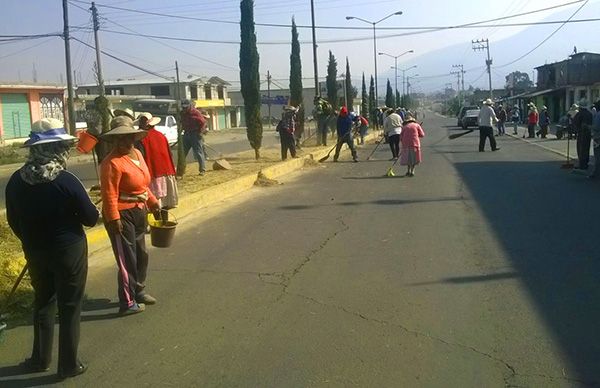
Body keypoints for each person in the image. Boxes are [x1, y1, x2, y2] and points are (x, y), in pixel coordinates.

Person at [5, 118, 98, 379]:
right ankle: (68, 365)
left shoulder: (16, 181)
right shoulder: (66, 181)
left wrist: (32, 241)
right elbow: (90, 218)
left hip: (35, 251)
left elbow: (13, 220)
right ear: (56, 148)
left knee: (43, 302)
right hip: (69, 251)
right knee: (69, 306)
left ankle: (40, 359)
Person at [100, 116, 161, 315]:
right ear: (114, 141)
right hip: (122, 214)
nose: (124, 142)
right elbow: (108, 193)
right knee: (128, 259)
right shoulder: (111, 163)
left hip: (139, 211)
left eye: (128, 137)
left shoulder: (137, 154)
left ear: (134, 137)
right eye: (119, 139)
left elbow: (143, 185)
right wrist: (114, 218)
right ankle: (126, 301)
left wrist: (153, 202)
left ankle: (138, 290)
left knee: (142, 255)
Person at [135, 112, 179, 209]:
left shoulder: (140, 139)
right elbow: (169, 154)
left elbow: (139, 158)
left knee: (155, 204)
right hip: (166, 171)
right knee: (165, 205)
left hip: (152, 174)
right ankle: (165, 218)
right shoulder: (161, 136)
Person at [180, 99, 208, 175]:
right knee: (183, 153)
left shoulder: (195, 112)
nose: (184, 109)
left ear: (190, 106)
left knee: (198, 152)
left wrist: (200, 132)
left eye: (186, 107)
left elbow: (203, 122)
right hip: (186, 134)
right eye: (183, 107)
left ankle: (202, 170)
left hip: (195, 134)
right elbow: (181, 122)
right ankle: (181, 170)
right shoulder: (182, 113)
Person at [573, 99, 594, 171]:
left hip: (581, 133)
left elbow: (575, 122)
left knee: (581, 149)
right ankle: (585, 163)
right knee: (586, 148)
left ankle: (582, 164)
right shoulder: (589, 113)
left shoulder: (580, 113)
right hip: (588, 134)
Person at [590, 100, 600, 179]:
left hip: (598, 138)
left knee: (597, 156)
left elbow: (596, 127)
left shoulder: (598, 115)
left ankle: (596, 173)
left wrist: (588, 127)